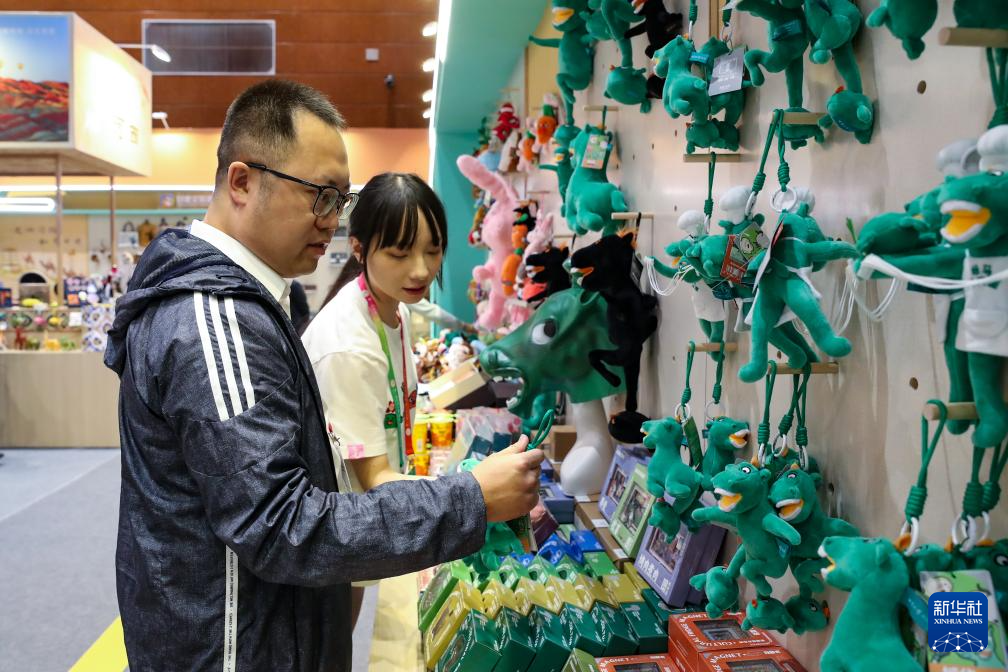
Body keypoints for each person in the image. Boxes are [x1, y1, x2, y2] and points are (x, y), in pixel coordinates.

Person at [103, 79, 543, 672]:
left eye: (340, 199)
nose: (332, 220)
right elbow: (282, 526)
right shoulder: (215, 321)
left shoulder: (252, 304)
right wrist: (468, 500)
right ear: (242, 182)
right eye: (319, 195)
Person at [302, 172, 456, 626]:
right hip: (331, 537)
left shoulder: (393, 309)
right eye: (400, 253)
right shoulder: (350, 345)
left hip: (356, 531)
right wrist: (473, 497)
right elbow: (373, 478)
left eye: (433, 250)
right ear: (359, 248)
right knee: (331, 643)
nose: (421, 269)